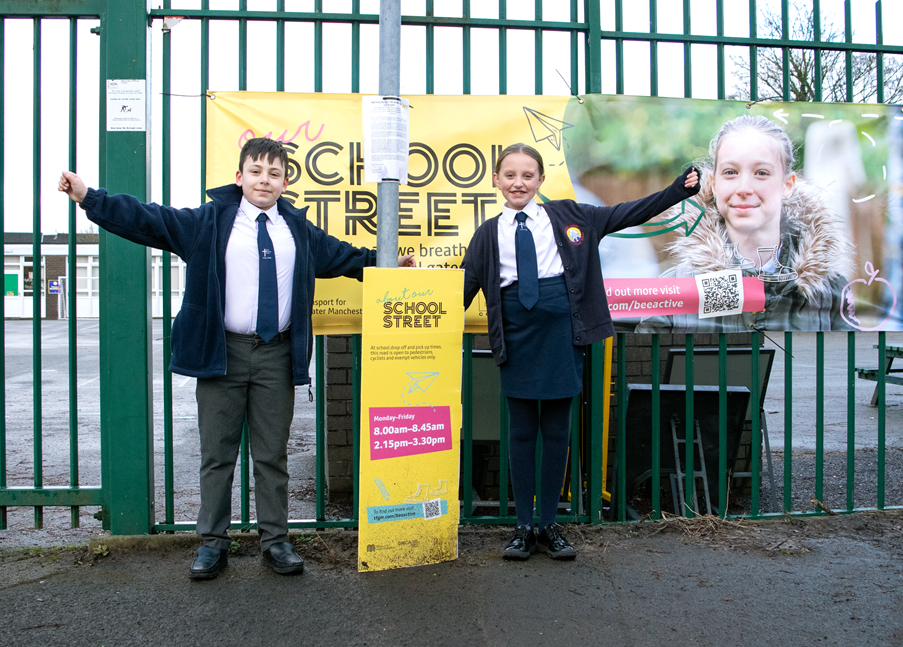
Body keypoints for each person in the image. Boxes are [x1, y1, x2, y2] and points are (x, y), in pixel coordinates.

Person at [59, 138, 415, 580]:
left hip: (277, 353)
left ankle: (276, 541)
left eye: (274, 173)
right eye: (256, 171)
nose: (264, 180)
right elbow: (150, 219)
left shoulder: (298, 230)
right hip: (221, 352)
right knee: (218, 455)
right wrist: (90, 197)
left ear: (286, 182)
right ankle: (211, 544)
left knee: (271, 454)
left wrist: (386, 265)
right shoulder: (209, 221)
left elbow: (345, 257)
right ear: (239, 176)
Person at [462, 143, 699, 559]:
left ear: (540, 181)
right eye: (510, 175)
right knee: (520, 433)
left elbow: (629, 212)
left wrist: (678, 190)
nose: (519, 182)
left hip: (561, 339)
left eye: (527, 175)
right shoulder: (487, 235)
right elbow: (460, 292)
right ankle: (522, 528)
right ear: (496, 180)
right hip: (516, 341)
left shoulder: (572, 217)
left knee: (556, 432)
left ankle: (549, 524)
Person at [636, 115, 854, 333]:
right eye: (730, 172)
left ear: (787, 186)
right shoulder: (674, 289)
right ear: (714, 184)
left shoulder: (830, 292)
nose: (744, 188)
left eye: (761, 173)